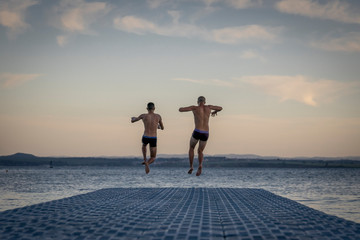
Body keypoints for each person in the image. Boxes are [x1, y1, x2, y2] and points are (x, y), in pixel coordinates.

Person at [179, 96, 222, 176]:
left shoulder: (194, 108)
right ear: (205, 102)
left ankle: (191, 166)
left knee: (191, 148)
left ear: (197, 102)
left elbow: (180, 110)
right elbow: (220, 108)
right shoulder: (209, 107)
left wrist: (185, 108)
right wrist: (215, 111)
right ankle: (200, 165)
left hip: (197, 131)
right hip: (205, 133)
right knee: (200, 151)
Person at [131, 102, 164, 174]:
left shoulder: (143, 116)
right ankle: (147, 163)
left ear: (147, 109)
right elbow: (162, 128)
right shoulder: (158, 116)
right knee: (153, 157)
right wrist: (157, 126)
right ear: (154, 108)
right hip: (153, 137)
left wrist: (133, 118)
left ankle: (145, 159)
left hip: (145, 136)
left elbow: (133, 121)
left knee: (144, 146)